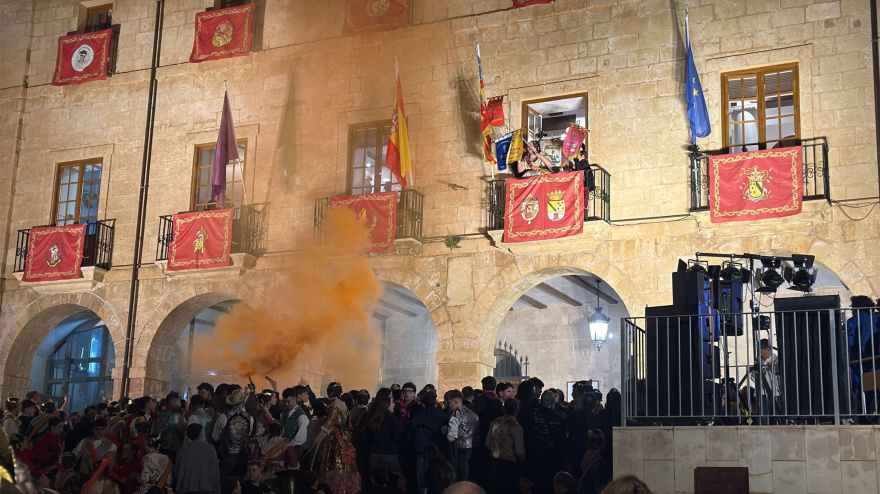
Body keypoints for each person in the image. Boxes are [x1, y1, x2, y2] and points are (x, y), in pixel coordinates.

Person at [313, 388, 361, 494]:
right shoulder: (343, 404)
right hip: (343, 434)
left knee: (329, 460)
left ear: (331, 394)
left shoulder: (335, 405)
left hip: (334, 435)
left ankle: (332, 486)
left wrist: (318, 437)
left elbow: (329, 423)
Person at [407, 391, 447, 494]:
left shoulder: (418, 416)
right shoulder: (442, 416)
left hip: (422, 448)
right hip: (437, 448)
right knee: (438, 473)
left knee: (422, 477)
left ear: (423, 403)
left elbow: (410, 431)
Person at [485, 399, 524, 494]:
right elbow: (519, 451)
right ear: (517, 410)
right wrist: (523, 460)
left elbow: (487, 443)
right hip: (510, 464)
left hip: (494, 461)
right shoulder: (516, 427)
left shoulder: (495, 422)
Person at [213, 389, 253, 478]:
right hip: (243, 458)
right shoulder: (250, 418)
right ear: (243, 401)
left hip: (226, 458)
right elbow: (249, 434)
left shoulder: (223, 417)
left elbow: (215, 437)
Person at [175, 423, 221, 494]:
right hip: (206, 489)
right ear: (200, 434)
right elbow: (215, 474)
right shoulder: (210, 449)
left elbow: (178, 473)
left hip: (186, 490)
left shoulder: (183, 450)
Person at [444, 389, 478, 483]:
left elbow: (451, 435)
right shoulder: (472, 413)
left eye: (448, 402)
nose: (447, 405)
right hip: (470, 444)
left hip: (457, 446)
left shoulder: (455, 414)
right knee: (465, 466)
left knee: (456, 469)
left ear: (455, 402)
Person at [365, 396, 401, 478]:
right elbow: (396, 437)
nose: (394, 405)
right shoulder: (392, 419)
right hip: (388, 454)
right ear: (387, 406)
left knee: (375, 478)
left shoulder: (372, 418)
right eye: (392, 403)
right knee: (396, 475)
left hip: (373, 454)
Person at [152, 392, 186, 458]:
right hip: (173, 451)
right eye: (179, 402)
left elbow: (153, 431)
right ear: (176, 402)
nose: (180, 404)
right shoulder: (177, 416)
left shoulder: (158, 416)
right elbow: (184, 431)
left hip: (159, 450)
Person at [280, 386, 310, 459]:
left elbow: (301, 438)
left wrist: (290, 444)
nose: (286, 404)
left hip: (294, 449)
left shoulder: (301, 416)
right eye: (284, 402)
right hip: (282, 445)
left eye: (288, 401)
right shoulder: (283, 413)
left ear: (294, 398)